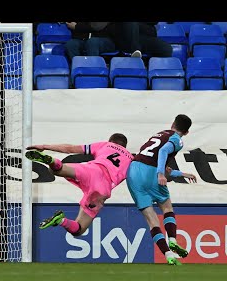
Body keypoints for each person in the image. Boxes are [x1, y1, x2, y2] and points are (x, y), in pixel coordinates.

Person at [25, 133, 133, 237]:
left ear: (111, 141)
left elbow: (70, 148)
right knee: (79, 229)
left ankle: (52, 160)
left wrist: (45, 146)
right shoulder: (132, 160)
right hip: (103, 188)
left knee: (57, 170)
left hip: (91, 170)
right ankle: (61, 221)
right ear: (125, 146)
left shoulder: (105, 145)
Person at [126, 114, 197, 266]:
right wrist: (160, 174)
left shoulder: (159, 134)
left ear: (172, 123)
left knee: (152, 221)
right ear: (186, 132)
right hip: (151, 173)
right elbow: (164, 152)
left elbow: (157, 158)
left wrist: (181, 174)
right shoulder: (177, 139)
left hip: (132, 172)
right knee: (166, 207)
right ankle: (172, 240)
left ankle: (169, 255)